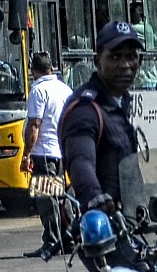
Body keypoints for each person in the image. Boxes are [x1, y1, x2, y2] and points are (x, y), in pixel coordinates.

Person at [60, 23, 145, 223]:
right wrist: (96, 198)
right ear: (98, 61)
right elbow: (81, 160)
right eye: (115, 57)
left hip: (133, 223)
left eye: (131, 57)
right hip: (107, 229)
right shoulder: (86, 109)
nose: (125, 65)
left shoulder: (119, 103)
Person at [22, 53, 72, 260]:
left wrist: (26, 153)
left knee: (46, 200)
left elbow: (35, 124)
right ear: (51, 68)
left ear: (33, 71)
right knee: (61, 197)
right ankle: (68, 238)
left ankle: (52, 241)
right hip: (61, 151)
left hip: (44, 152)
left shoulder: (38, 90)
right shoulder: (65, 89)